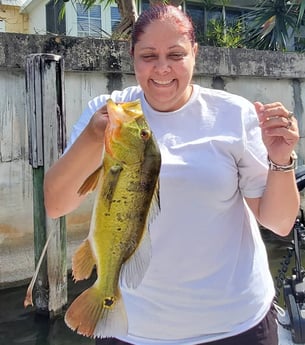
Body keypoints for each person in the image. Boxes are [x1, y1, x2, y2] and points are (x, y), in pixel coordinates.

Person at [44, 5, 300, 345]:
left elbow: (280, 223)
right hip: (133, 331)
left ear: (195, 53)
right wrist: (93, 137)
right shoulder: (107, 114)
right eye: (148, 55)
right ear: (131, 55)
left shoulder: (233, 114)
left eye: (176, 54)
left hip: (237, 326)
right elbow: (56, 204)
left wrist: (281, 160)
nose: (162, 68)